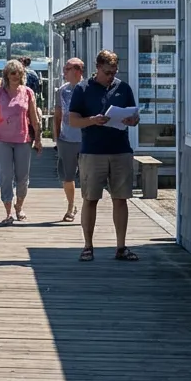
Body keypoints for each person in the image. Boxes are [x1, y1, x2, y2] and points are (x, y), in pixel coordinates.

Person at [67, 49, 140, 261]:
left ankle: (121, 247)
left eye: (114, 72)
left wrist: (132, 121)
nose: (111, 76)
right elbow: (72, 120)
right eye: (107, 72)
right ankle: (88, 246)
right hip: (93, 152)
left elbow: (134, 116)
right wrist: (92, 120)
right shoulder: (83, 89)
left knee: (121, 198)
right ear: (97, 67)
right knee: (90, 198)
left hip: (120, 150)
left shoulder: (123, 87)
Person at [0, 60, 42, 225]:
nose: (16, 76)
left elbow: (34, 118)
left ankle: (19, 206)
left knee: (23, 177)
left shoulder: (28, 92)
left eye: (19, 73)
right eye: (12, 73)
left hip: (23, 139)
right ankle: (8, 212)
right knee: (6, 176)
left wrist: (38, 138)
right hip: (2, 140)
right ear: (7, 75)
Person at [50, 58, 85, 223]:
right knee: (67, 176)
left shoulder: (88, 89)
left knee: (87, 176)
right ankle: (71, 206)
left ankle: (88, 207)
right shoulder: (62, 90)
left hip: (86, 139)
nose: (64, 72)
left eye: (67, 69)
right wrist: (57, 138)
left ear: (77, 71)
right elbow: (57, 114)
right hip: (66, 138)